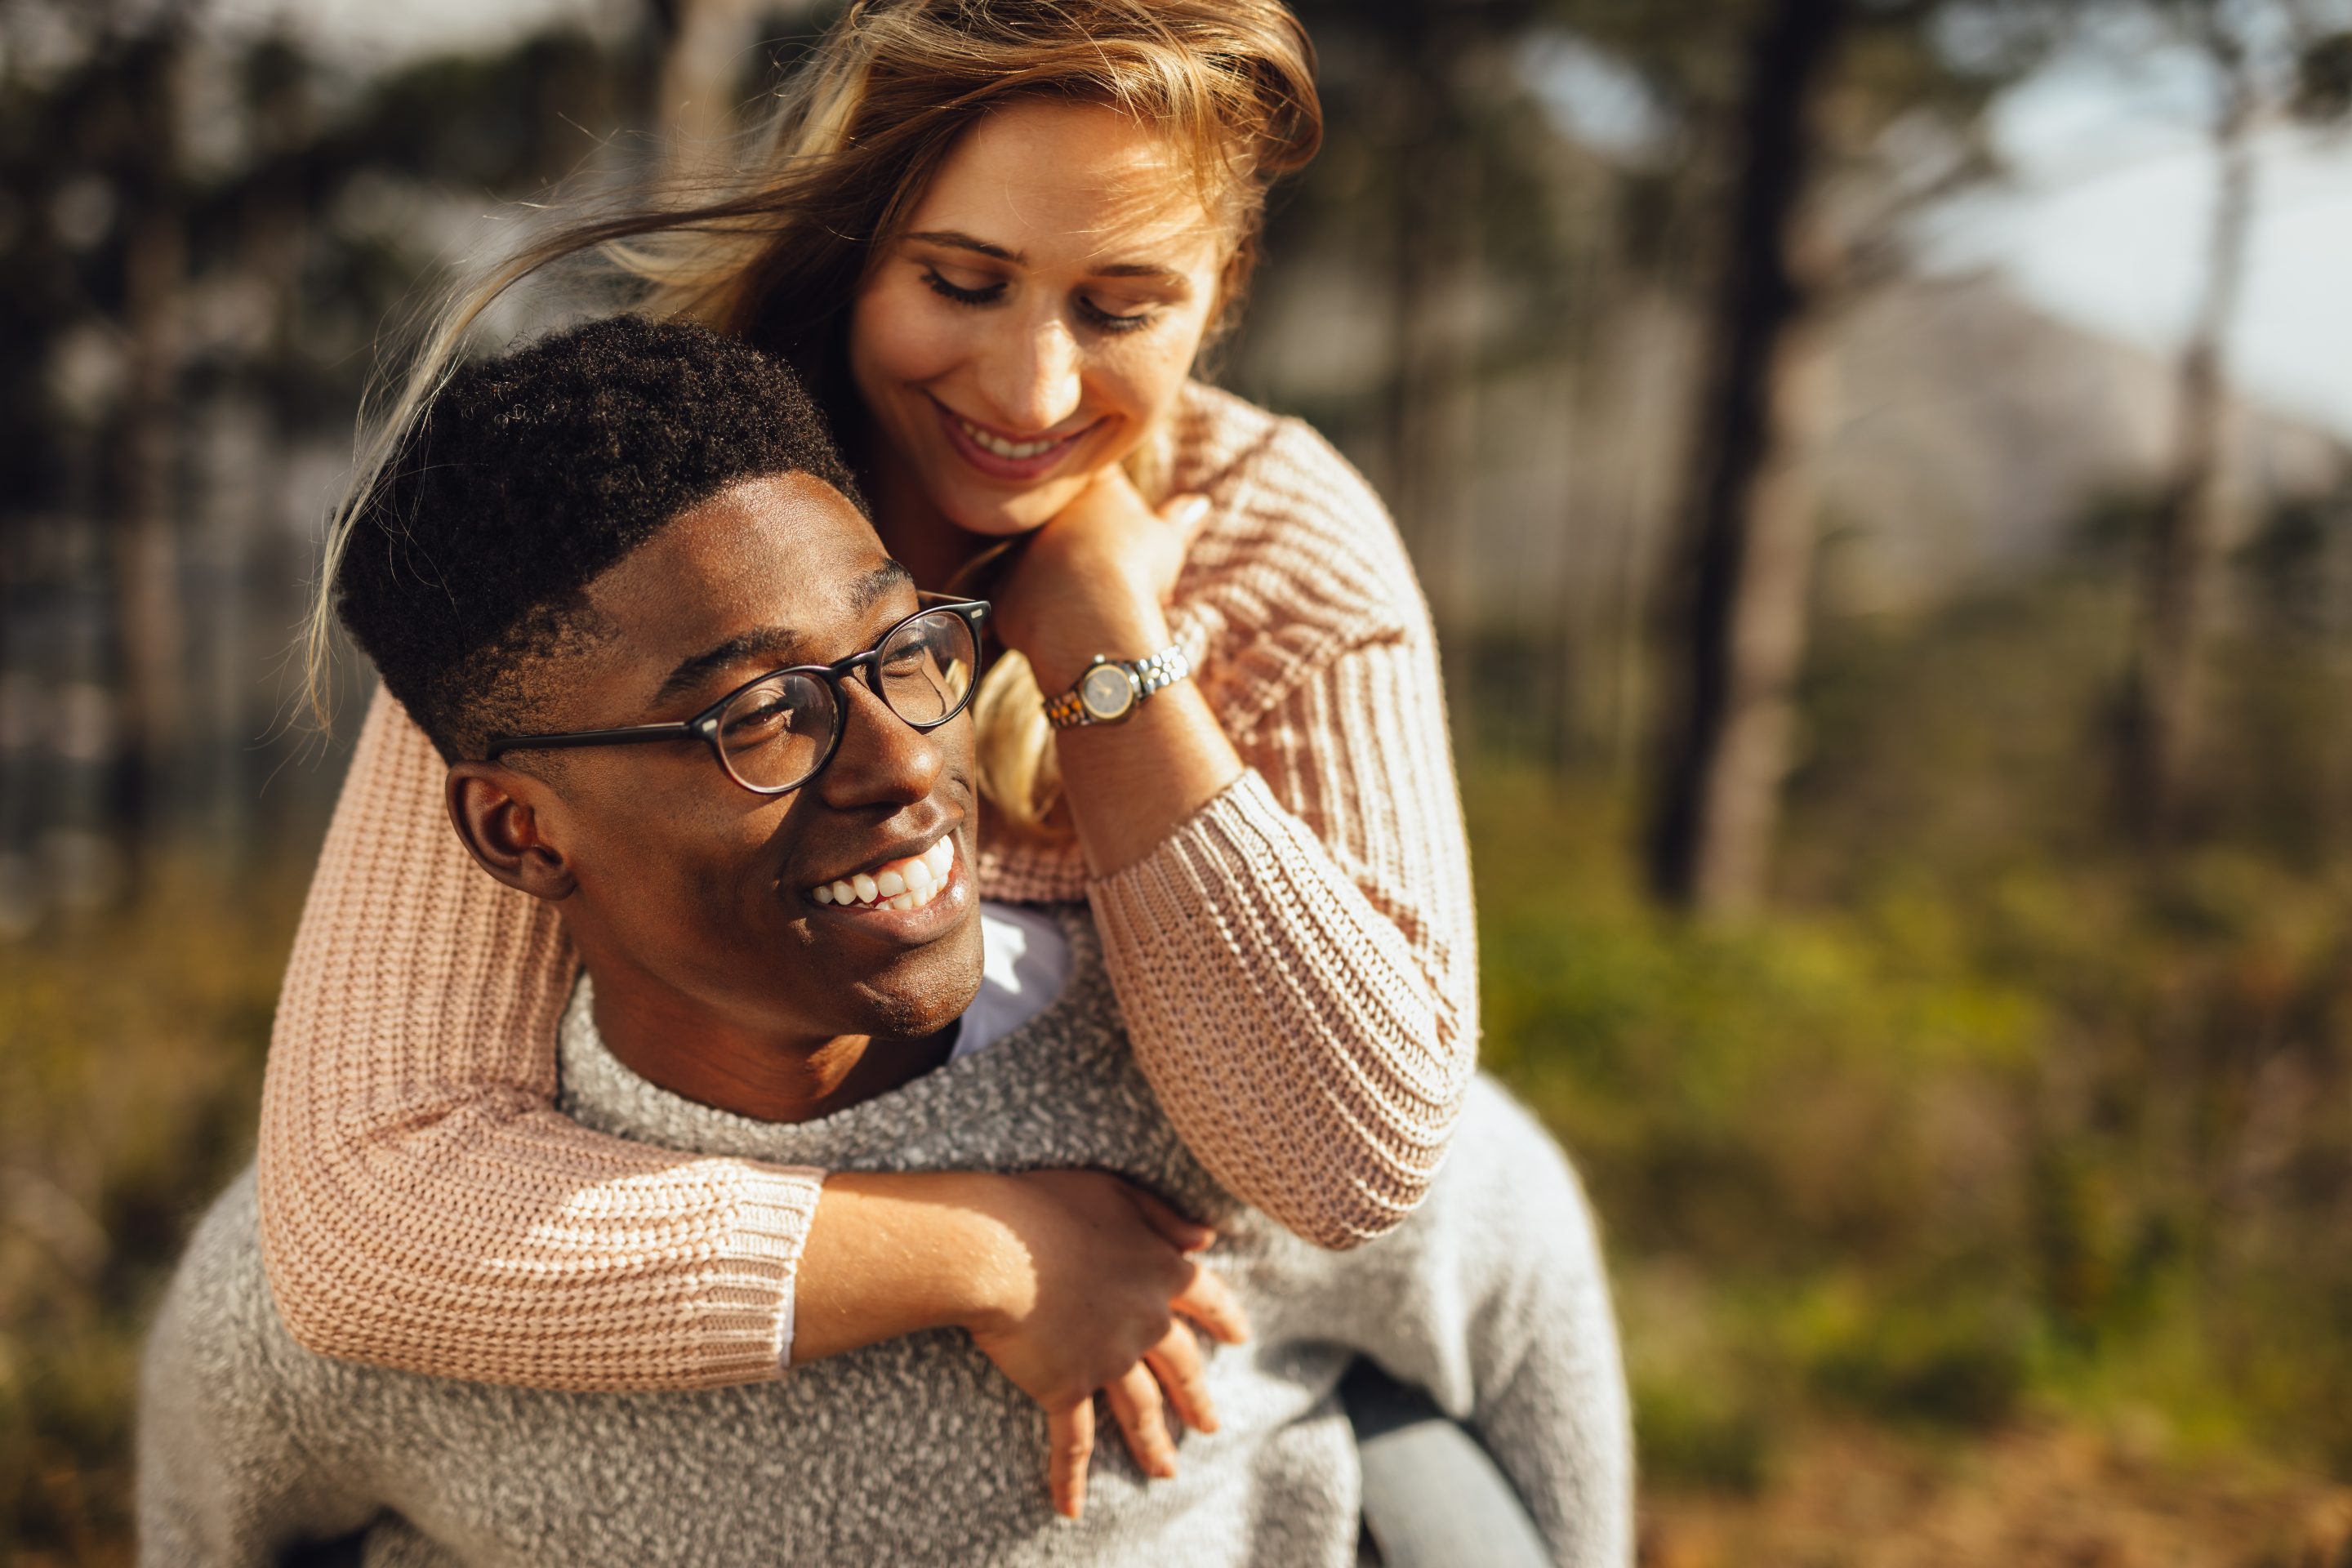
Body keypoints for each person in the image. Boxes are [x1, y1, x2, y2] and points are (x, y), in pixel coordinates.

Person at [140, 319, 1631, 1567]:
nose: (906, 761)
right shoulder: (332, 1301)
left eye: (906, 649)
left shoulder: (1202, 1117)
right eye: (760, 715)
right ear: (522, 834)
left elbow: (1519, 1265)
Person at [259, 0, 1484, 1494]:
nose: (1031, 395)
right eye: (964, 283)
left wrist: (1103, 645)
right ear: (856, 243)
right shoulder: (616, 523)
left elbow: (1348, 1160)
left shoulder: (1276, 543)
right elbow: (368, 1207)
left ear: (1220, 294)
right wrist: (986, 1246)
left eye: (1122, 309)